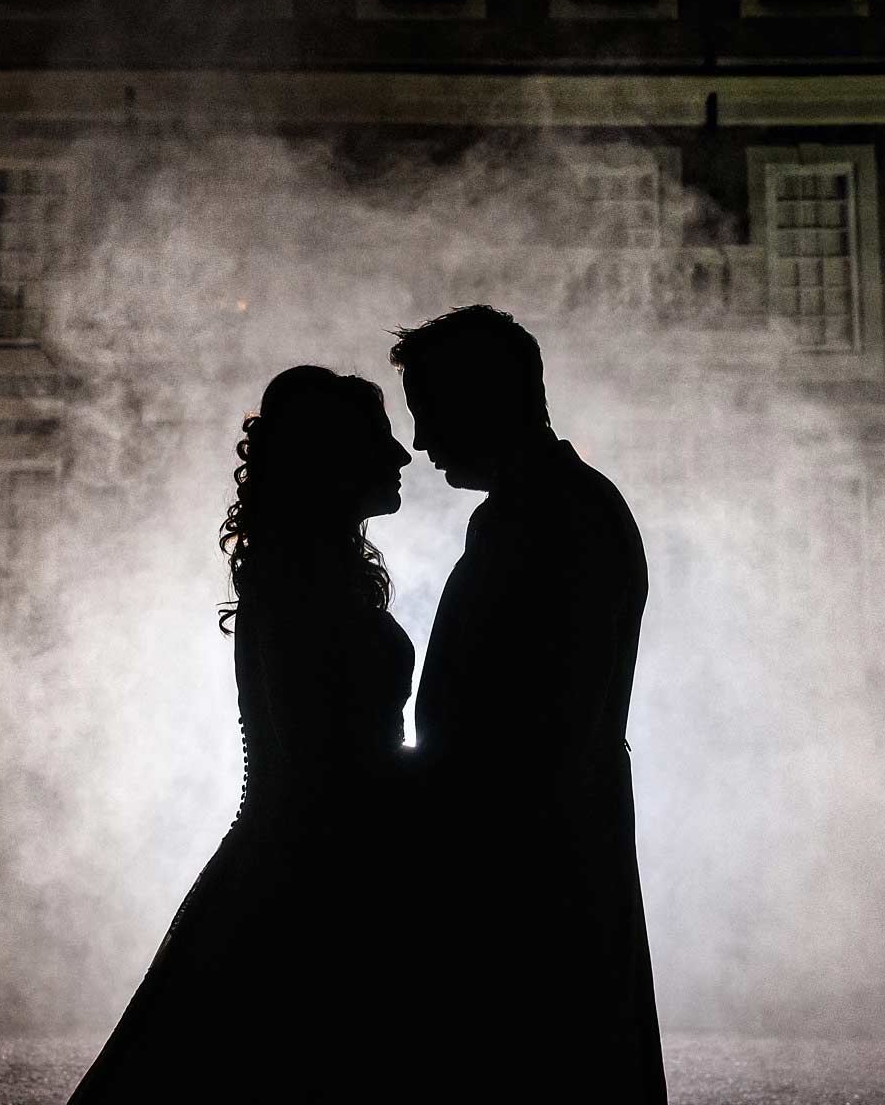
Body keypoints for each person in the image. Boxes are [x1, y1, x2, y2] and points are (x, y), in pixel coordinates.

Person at [66, 365, 416, 1103]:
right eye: (379, 441)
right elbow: (320, 762)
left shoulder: (311, 574)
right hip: (306, 874)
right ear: (330, 461)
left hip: (315, 857)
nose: (401, 455)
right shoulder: (292, 583)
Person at [392, 305, 666, 1103]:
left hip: (528, 868)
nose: (421, 440)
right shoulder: (561, 505)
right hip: (549, 849)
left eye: (430, 410)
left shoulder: (547, 517)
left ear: (483, 399)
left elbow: (518, 721)